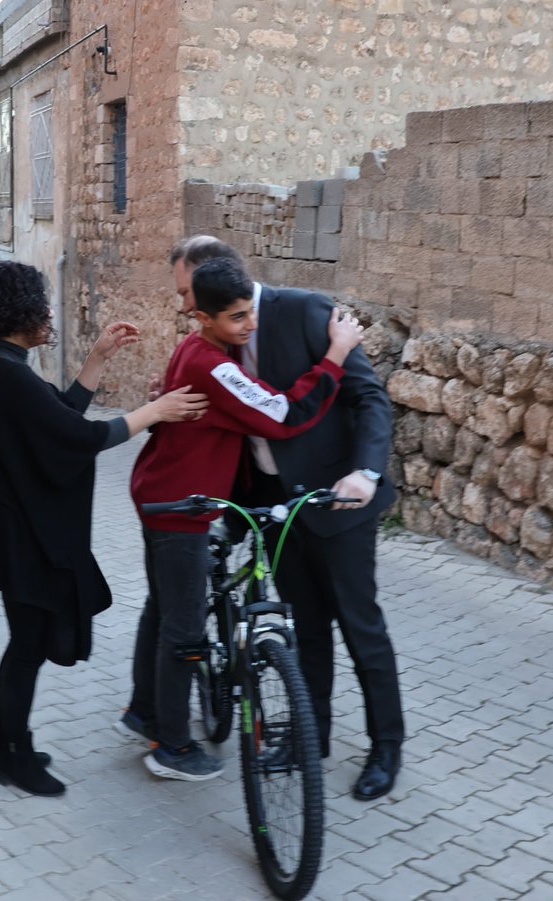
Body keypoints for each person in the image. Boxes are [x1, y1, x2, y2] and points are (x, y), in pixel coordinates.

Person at [0, 260, 208, 797]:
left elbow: (61, 418)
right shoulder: (5, 375)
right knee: (25, 649)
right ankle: (12, 756)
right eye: (40, 305)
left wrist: (96, 359)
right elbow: (81, 439)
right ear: (16, 312)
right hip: (19, 540)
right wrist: (156, 411)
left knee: (22, 645)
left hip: (12, 537)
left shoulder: (3, 366)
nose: (49, 313)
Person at [169, 236, 405, 801]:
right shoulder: (211, 333)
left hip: (337, 502)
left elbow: (370, 398)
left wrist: (365, 475)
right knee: (304, 630)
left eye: (190, 294)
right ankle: (310, 736)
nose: (187, 308)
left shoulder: (306, 311)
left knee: (359, 626)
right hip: (273, 506)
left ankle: (386, 746)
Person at [122, 256, 366, 781]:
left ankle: (144, 712)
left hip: (164, 494)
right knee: (183, 631)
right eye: (236, 319)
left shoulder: (200, 348)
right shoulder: (212, 364)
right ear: (203, 319)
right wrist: (336, 355)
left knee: (166, 611)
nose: (249, 326)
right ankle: (172, 748)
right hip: (180, 509)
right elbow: (283, 416)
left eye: (250, 313)